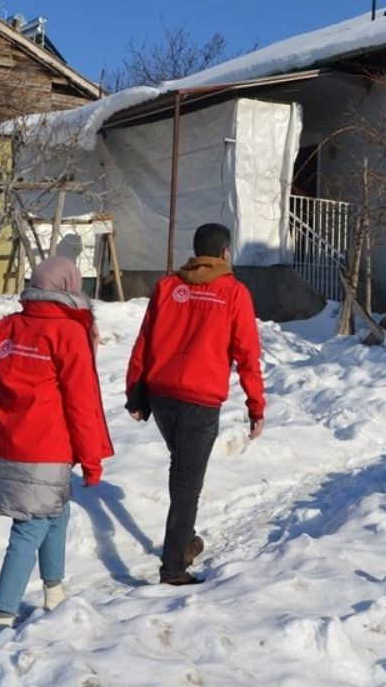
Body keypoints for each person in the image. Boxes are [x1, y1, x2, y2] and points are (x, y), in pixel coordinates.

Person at [0, 256, 113, 633]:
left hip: (8, 444)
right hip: (47, 449)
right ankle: (3, 618)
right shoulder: (67, 334)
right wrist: (93, 459)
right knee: (29, 527)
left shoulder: (6, 328)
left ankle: (54, 594)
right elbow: (81, 402)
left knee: (57, 512)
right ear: (67, 288)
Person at [125, 223, 265, 586]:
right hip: (199, 401)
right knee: (187, 483)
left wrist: (136, 392)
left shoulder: (169, 286)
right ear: (225, 253)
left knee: (182, 472)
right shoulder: (234, 292)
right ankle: (173, 568)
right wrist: (256, 407)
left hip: (162, 396)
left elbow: (145, 342)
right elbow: (248, 354)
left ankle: (184, 541)